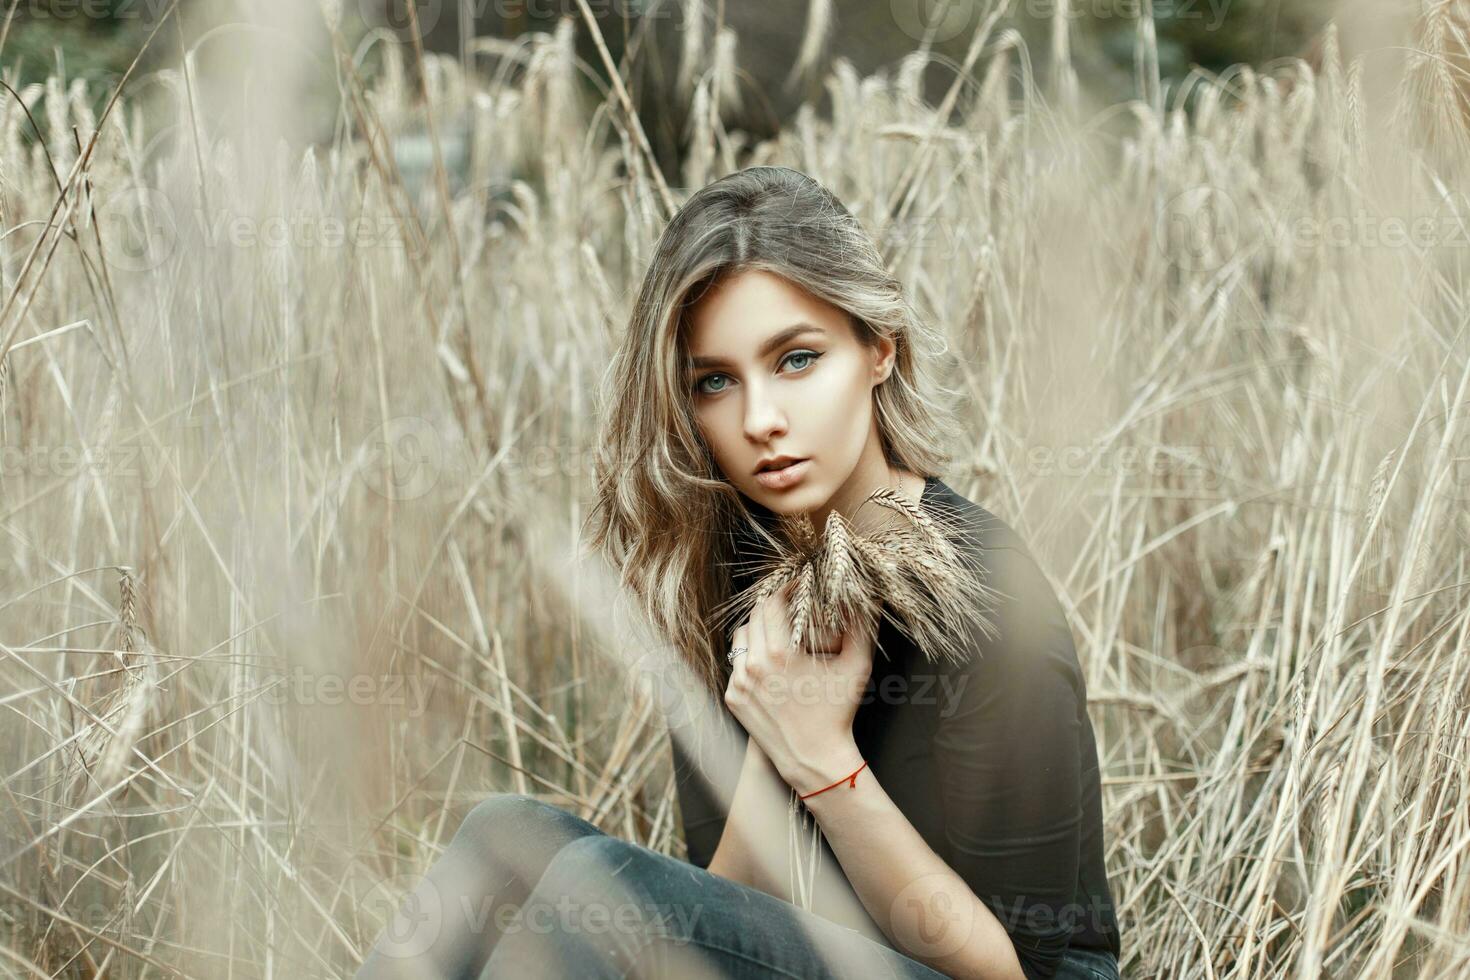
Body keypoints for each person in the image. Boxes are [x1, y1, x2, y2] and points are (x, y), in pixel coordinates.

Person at [356, 165, 1123, 979]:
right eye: (716, 381)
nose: (761, 420)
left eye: (796, 359)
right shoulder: (726, 571)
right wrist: (770, 731)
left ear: (878, 350)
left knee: (603, 882)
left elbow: (1013, 970)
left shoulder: (988, 590)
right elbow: (710, 919)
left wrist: (820, 757)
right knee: (502, 837)